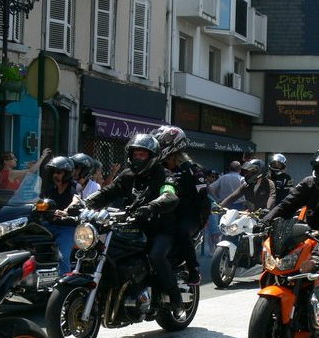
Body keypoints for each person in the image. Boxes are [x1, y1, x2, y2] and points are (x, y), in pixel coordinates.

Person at [82, 134, 184, 316]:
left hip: (160, 229)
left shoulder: (164, 175)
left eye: (142, 155)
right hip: (131, 225)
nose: (137, 158)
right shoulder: (127, 175)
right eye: (135, 155)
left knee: (156, 256)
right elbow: (108, 191)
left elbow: (169, 195)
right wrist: (85, 204)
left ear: (152, 156)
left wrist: (152, 207)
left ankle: (175, 299)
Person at [152, 125, 209, 285]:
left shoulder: (193, 170)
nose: (159, 145)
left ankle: (193, 269)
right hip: (163, 214)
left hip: (188, 216)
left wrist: (202, 220)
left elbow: (203, 198)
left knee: (181, 230)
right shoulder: (156, 169)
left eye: (163, 142)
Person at [42, 156, 79, 274]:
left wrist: (67, 210)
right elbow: (37, 200)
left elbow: (76, 199)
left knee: (61, 257)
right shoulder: (50, 189)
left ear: (67, 174)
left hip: (67, 228)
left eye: (58, 172)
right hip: (49, 225)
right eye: (53, 173)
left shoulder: (74, 187)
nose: (55, 176)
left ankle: (63, 285)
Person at [203, 169, 221, 255]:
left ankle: (212, 251)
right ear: (207, 177)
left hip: (208, 210)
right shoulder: (207, 185)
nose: (214, 178)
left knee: (210, 233)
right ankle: (217, 252)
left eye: (215, 176)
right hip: (211, 210)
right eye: (212, 176)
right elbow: (215, 198)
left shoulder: (208, 185)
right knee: (215, 233)